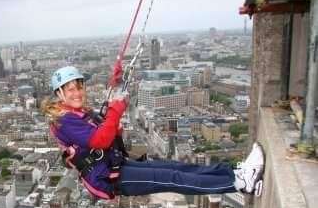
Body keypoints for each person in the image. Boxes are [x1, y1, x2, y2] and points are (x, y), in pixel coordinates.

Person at [42, 66, 265, 200]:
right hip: (109, 177)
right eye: (70, 89)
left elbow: (106, 132)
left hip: (115, 165)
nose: (77, 92)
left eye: (79, 86)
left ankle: (236, 171)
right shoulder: (64, 119)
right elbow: (100, 139)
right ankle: (240, 183)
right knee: (172, 178)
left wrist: (115, 97)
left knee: (177, 167)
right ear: (59, 93)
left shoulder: (78, 113)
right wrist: (116, 111)